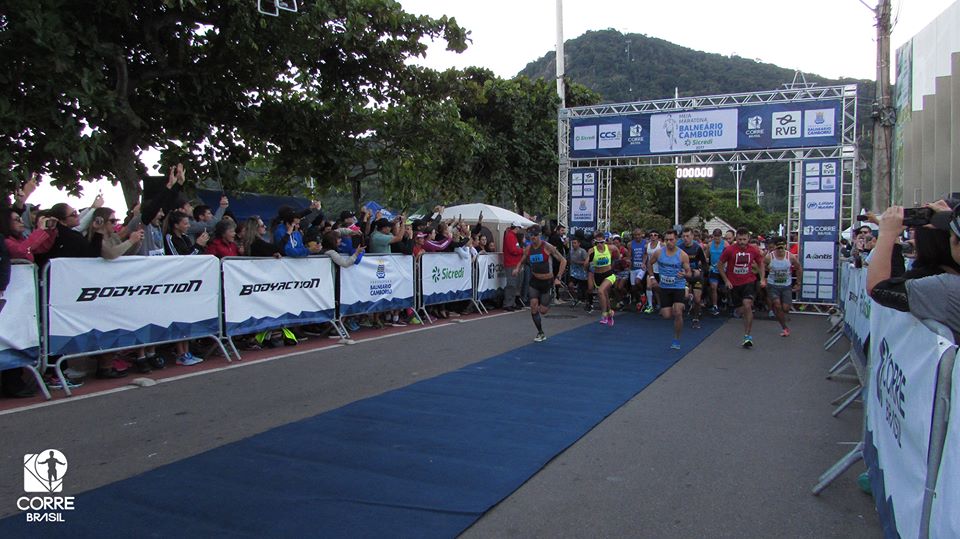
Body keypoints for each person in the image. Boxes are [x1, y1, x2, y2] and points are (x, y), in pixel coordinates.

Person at [868, 203, 960, 337]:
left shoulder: (947, 287)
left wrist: (887, 234)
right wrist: (950, 218)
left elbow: (877, 288)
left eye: (953, 235)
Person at [513, 225, 566, 342]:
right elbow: (522, 260)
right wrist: (517, 268)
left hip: (547, 281)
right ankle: (540, 332)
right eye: (531, 236)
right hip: (535, 281)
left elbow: (563, 260)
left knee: (543, 310)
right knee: (533, 306)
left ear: (540, 235)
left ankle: (549, 300)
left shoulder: (547, 247)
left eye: (535, 236)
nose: (533, 238)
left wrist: (558, 277)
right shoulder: (528, 248)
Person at [719, 228, 765, 348]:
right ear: (736, 238)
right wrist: (726, 280)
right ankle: (738, 311)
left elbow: (761, 263)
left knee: (747, 305)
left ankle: (747, 336)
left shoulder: (753, 250)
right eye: (739, 239)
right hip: (734, 284)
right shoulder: (729, 250)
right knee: (741, 309)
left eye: (744, 239)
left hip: (748, 282)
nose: (742, 242)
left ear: (748, 239)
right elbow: (719, 265)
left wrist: (763, 278)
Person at [648, 230, 691, 349]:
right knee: (666, 315)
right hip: (664, 287)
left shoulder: (682, 255)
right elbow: (649, 264)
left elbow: (689, 272)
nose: (668, 242)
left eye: (671, 240)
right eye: (666, 240)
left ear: (676, 240)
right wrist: (652, 278)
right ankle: (681, 304)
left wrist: (685, 274)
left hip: (678, 286)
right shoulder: (658, 253)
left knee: (678, 313)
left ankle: (676, 340)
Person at [764, 237, 802, 337]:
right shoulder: (769, 257)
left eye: (782, 247)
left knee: (785, 308)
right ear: (775, 247)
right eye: (778, 247)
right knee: (777, 305)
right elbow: (761, 266)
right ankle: (784, 327)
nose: (780, 249)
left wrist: (798, 283)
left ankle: (780, 314)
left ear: (785, 246)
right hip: (773, 285)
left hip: (786, 286)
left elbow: (798, 268)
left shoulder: (791, 257)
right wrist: (763, 278)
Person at [587, 230, 619, 325]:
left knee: (601, 291)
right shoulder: (592, 250)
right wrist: (588, 266)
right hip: (598, 275)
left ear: (604, 241)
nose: (600, 244)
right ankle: (610, 314)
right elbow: (586, 263)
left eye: (602, 242)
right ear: (595, 242)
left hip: (609, 274)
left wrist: (616, 259)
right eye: (598, 242)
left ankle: (604, 315)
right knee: (604, 295)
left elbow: (617, 253)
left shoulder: (610, 248)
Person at [678, 227, 707, 328]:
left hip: (696, 276)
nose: (685, 238)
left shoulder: (697, 247)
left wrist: (699, 270)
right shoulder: (679, 247)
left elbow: (704, 263)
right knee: (685, 296)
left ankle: (695, 319)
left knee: (698, 300)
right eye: (684, 236)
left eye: (688, 236)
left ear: (692, 237)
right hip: (685, 276)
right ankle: (689, 299)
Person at [502, 222, 524, 311]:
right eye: (519, 228)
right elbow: (513, 250)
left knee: (515, 284)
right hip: (511, 263)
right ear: (516, 228)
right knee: (511, 284)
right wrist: (523, 250)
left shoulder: (512, 236)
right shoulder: (510, 236)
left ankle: (512, 302)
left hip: (514, 263)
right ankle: (508, 304)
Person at [705, 228, 728, 315]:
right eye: (715, 236)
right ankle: (715, 305)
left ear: (721, 236)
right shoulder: (710, 245)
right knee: (713, 287)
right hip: (713, 269)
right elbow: (706, 256)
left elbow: (729, 256)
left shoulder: (725, 244)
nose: (717, 238)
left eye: (718, 237)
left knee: (723, 289)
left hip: (723, 269)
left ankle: (724, 298)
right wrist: (707, 263)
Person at [626, 228, 647, 311]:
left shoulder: (646, 243)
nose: (637, 236)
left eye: (639, 234)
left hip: (642, 267)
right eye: (635, 235)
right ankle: (639, 300)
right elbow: (629, 255)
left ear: (642, 234)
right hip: (633, 267)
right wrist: (628, 262)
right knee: (633, 287)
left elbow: (645, 254)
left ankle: (643, 294)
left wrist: (644, 263)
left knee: (638, 281)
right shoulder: (630, 244)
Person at [643, 231, 662, 313]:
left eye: (655, 235)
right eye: (651, 235)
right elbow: (645, 255)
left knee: (659, 288)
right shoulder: (647, 246)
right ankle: (650, 305)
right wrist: (643, 263)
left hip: (661, 270)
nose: (653, 236)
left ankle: (660, 304)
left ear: (658, 236)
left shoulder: (662, 245)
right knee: (649, 286)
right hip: (651, 269)